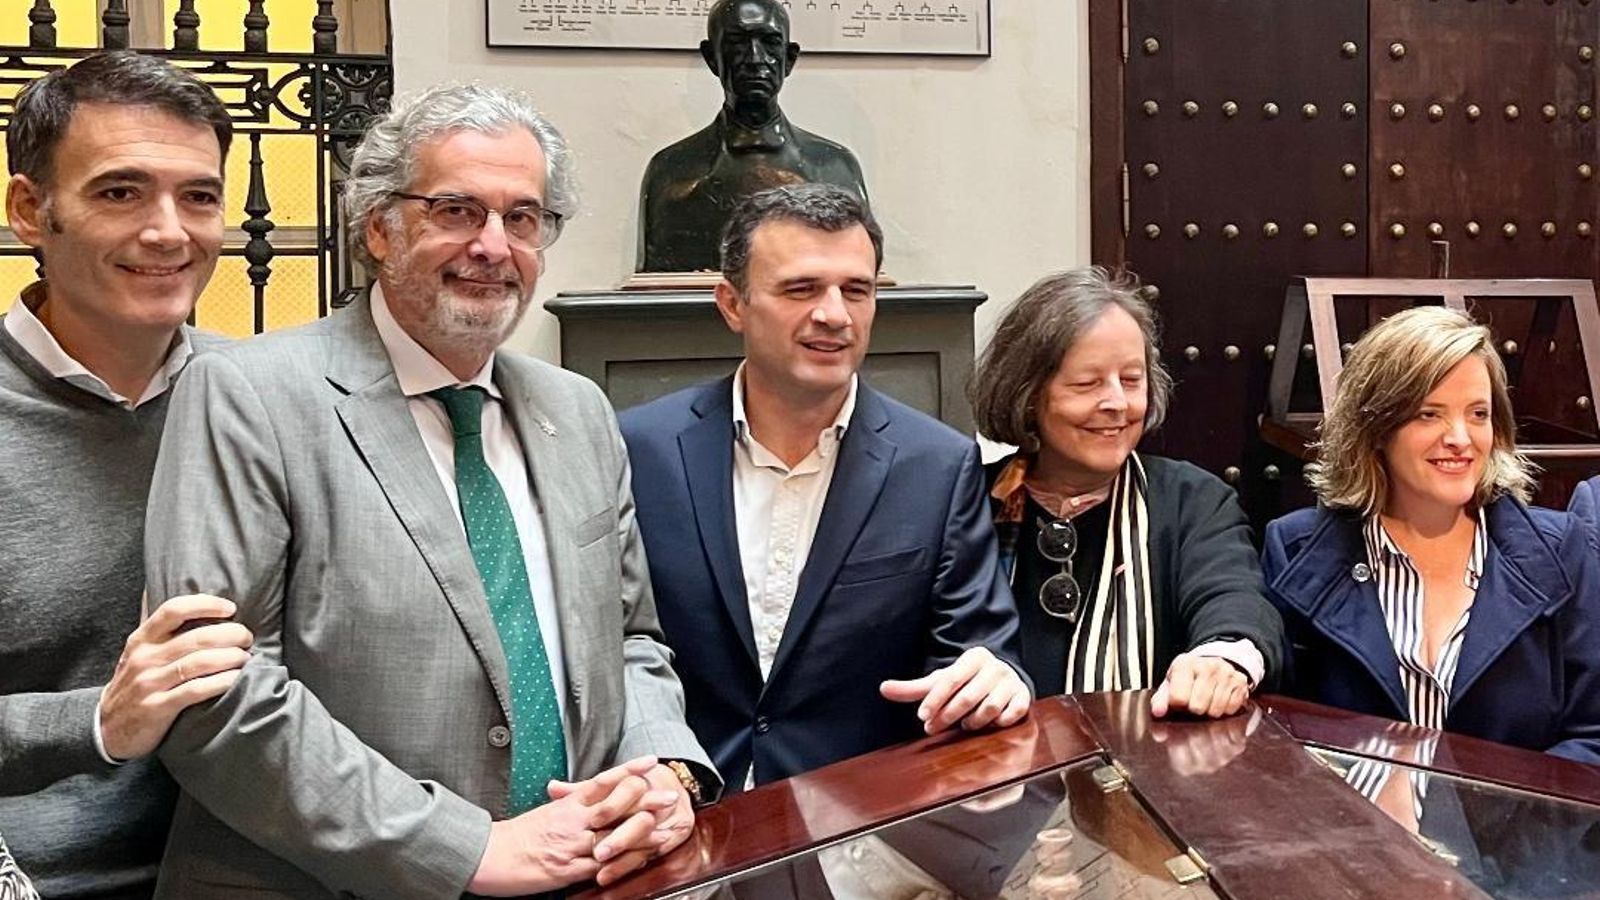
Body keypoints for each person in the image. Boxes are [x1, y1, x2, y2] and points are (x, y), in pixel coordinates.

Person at [143, 83, 718, 898]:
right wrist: (463, 850)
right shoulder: (247, 394)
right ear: (379, 227)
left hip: (585, 876)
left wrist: (662, 770)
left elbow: (631, 638)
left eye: (523, 218)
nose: (493, 245)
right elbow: (216, 694)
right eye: (456, 210)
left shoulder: (578, 410)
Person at [621, 183, 1031, 793]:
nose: (834, 314)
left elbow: (980, 651)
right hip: (680, 818)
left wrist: (992, 679)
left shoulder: (937, 466)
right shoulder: (638, 449)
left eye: (856, 290)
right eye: (801, 289)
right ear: (732, 304)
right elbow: (610, 648)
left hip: (863, 834)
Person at [0, 51, 253, 899]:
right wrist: (97, 721)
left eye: (199, 196)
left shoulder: (263, 400)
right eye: (120, 192)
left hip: (264, 862)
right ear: (31, 210)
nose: (168, 232)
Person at [1264, 305, 1600, 760]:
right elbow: (1271, 732)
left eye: (1478, 413)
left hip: (1517, 830)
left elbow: (1593, 736)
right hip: (1352, 829)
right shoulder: (1295, 549)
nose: (1461, 437)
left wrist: (1501, 828)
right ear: (1376, 428)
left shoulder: (1563, 550)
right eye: (1429, 414)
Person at [968, 267, 1283, 717]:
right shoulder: (969, 501)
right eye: (1087, 383)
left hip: (1152, 770)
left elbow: (1236, 601)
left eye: (1131, 380)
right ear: (1028, 393)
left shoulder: (1192, 500)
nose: (1117, 402)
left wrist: (1224, 657)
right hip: (992, 769)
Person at [637, 0, 869, 272]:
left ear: (789, 58)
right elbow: (657, 296)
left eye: (770, 42)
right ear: (712, 58)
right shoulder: (671, 172)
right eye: (737, 43)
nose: (755, 58)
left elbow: (857, 280)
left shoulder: (836, 168)